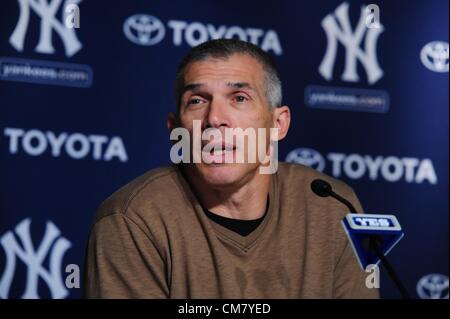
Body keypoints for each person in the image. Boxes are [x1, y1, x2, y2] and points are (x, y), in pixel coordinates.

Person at [84, 39, 378, 299]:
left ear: (278, 124)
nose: (214, 119)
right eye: (197, 101)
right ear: (175, 129)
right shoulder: (132, 220)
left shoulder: (331, 207)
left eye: (239, 98)